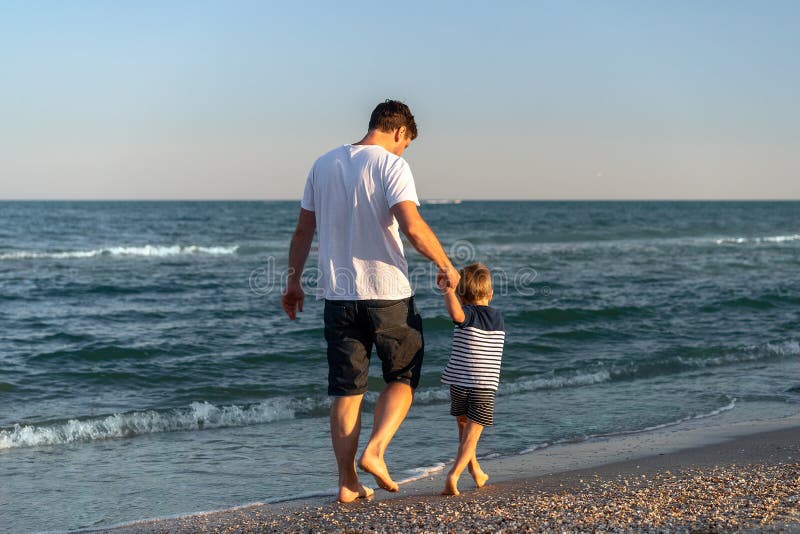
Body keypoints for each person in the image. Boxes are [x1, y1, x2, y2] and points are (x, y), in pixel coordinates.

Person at [281, 100, 460, 503]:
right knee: (403, 375)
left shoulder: (322, 165)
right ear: (399, 131)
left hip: (339, 296)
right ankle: (376, 450)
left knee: (347, 392)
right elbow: (412, 226)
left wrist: (292, 284)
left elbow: (302, 233)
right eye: (406, 143)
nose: (403, 150)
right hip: (388, 294)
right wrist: (446, 264)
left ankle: (346, 483)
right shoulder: (392, 166)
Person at [439, 262, 506, 495]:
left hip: (458, 383)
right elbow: (459, 314)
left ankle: (475, 470)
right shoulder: (497, 317)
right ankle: (453, 475)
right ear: (490, 294)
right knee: (472, 434)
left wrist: (447, 291)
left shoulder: (465, 314)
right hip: (483, 387)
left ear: (461, 295)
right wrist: (452, 293)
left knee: (464, 427)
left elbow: (456, 313)